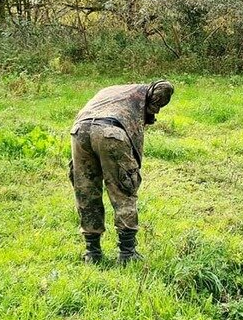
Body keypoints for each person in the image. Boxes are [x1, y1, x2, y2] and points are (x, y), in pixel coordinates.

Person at [69, 80, 174, 264]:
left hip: (80, 131)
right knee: (124, 190)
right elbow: (166, 86)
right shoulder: (148, 90)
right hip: (111, 131)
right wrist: (154, 105)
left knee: (86, 192)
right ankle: (127, 254)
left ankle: (92, 253)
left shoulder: (110, 91)